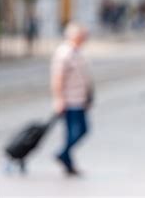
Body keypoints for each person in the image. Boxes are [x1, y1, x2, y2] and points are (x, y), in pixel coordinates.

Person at [51, 22, 93, 176]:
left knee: (78, 131)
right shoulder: (64, 53)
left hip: (80, 99)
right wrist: (59, 99)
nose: (85, 38)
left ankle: (66, 159)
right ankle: (64, 155)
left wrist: (89, 97)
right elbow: (57, 78)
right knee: (77, 131)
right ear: (75, 36)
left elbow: (85, 78)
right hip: (70, 100)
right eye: (83, 35)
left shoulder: (79, 52)